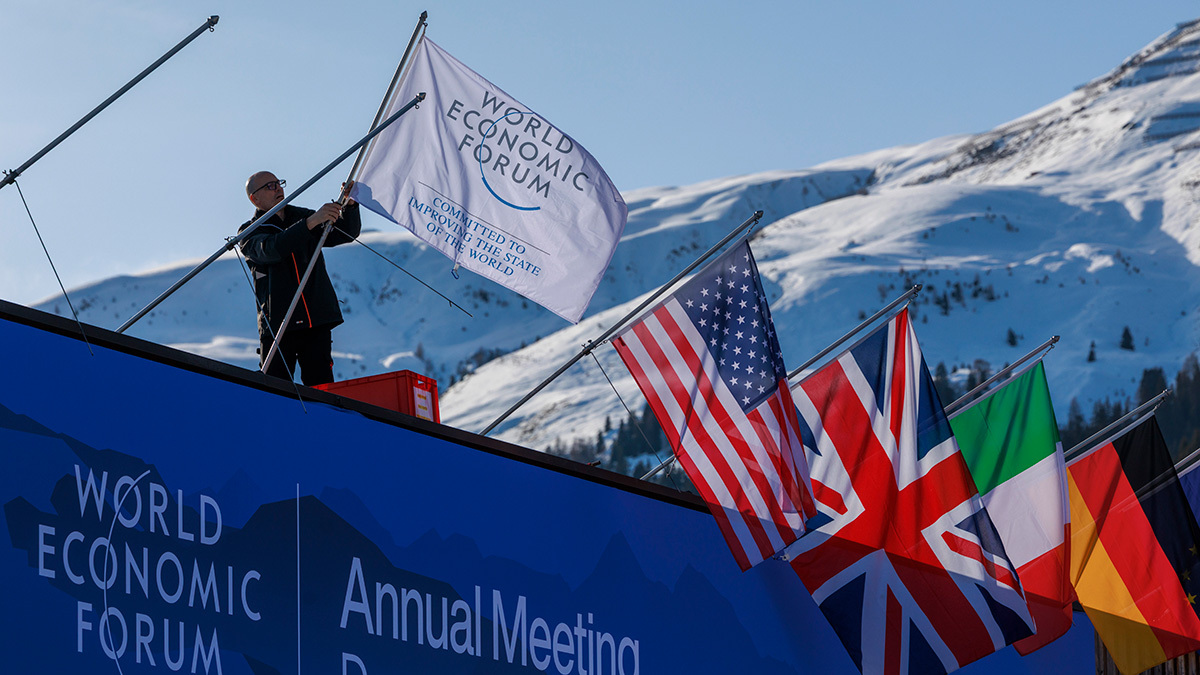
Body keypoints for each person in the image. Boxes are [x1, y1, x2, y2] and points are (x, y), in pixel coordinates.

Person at [238, 171, 361, 386]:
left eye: (278, 183)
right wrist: (310, 223)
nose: (278, 188)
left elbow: (345, 233)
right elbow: (272, 249)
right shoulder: (249, 232)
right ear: (254, 199)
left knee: (321, 388)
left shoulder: (302, 216)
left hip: (315, 320)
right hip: (278, 325)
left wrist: (350, 206)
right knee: (275, 390)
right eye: (270, 186)